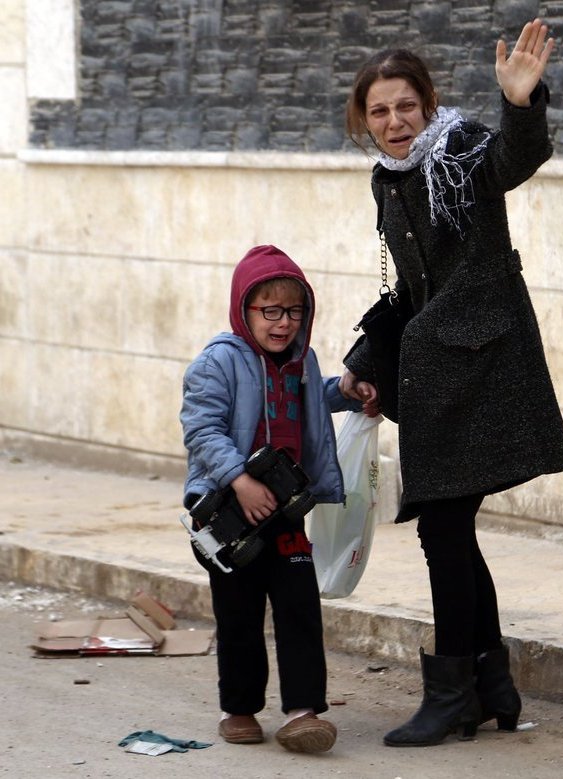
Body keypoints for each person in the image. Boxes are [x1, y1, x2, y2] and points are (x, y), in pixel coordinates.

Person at [339, 19, 563, 747]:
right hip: (440, 373)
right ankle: (488, 683)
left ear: (426, 102)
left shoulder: (462, 148)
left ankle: (450, 694)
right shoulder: (389, 181)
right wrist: (364, 361)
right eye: (379, 111)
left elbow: (514, 157)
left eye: (404, 106)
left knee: (442, 527)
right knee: (451, 529)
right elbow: (411, 289)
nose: (394, 122)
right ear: (363, 121)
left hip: (486, 367)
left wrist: (520, 102)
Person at [180, 244, 377, 753]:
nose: (283, 323)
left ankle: (302, 711)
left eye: (294, 311)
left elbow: (311, 400)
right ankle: (239, 710)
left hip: (286, 513)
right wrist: (238, 481)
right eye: (270, 311)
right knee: (239, 613)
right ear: (243, 311)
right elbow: (201, 428)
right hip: (231, 514)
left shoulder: (302, 360)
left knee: (299, 607)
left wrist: (347, 388)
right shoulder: (217, 362)